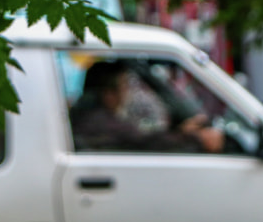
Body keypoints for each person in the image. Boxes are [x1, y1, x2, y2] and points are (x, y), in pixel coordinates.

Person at [70, 60, 224, 153]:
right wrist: (195, 138)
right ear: (109, 94)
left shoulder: (90, 117)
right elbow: (145, 142)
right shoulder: (101, 122)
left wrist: (181, 132)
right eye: (124, 86)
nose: (127, 93)